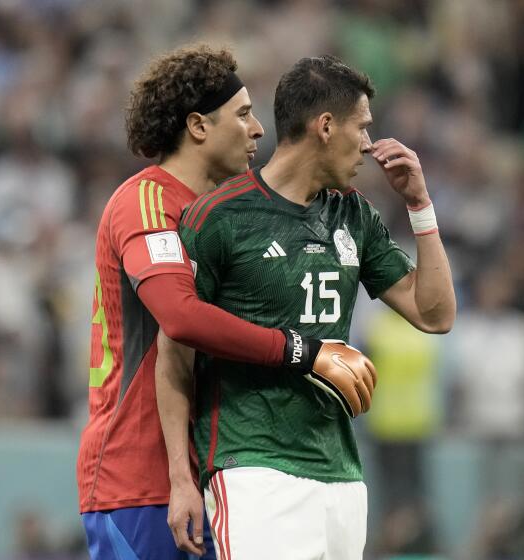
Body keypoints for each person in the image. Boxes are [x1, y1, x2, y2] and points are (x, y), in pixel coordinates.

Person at [76, 45, 376, 560]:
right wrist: (302, 351)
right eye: (242, 114)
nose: (258, 129)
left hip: (212, 471)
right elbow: (181, 316)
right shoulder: (145, 201)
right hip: (139, 475)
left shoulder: (228, 214)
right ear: (197, 126)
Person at [166, 54, 456, 559]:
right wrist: (180, 478)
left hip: (341, 472)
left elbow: (434, 314)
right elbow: (175, 352)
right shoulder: (219, 216)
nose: (369, 143)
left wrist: (420, 205)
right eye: (361, 127)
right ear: (325, 126)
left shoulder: (353, 214)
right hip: (253, 466)